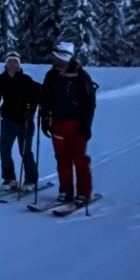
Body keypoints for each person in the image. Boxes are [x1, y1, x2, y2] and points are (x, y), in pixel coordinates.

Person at [40, 42, 97, 205]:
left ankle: (84, 192)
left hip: (76, 125)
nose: (52, 58)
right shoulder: (51, 76)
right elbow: (45, 99)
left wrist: (86, 125)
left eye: (55, 56)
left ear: (63, 57)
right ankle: (66, 190)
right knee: (62, 159)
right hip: (57, 122)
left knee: (79, 159)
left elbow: (90, 102)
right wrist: (45, 119)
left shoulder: (81, 76)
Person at [0, 51, 40, 191]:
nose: (13, 64)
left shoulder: (26, 80)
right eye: (10, 61)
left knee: (25, 151)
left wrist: (31, 111)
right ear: (6, 63)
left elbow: (36, 97)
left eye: (15, 61)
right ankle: (9, 178)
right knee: (4, 149)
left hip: (25, 121)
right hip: (7, 120)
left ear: (19, 64)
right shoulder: (1, 79)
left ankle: (30, 180)